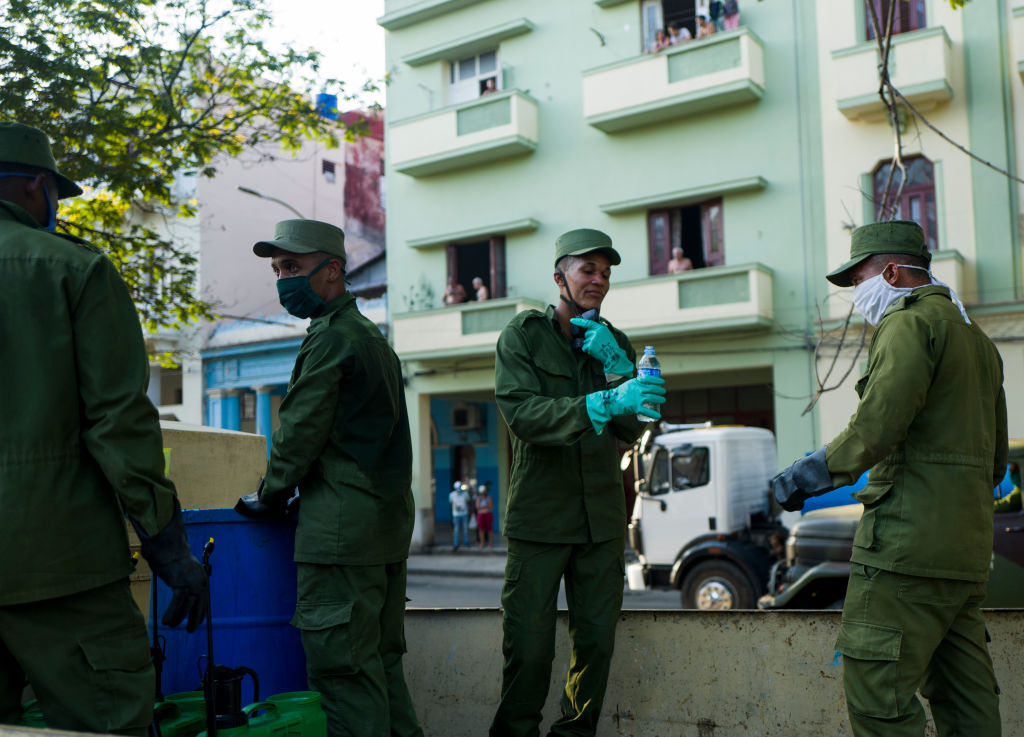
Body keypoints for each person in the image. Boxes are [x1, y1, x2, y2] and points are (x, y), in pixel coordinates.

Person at [0, 121, 208, 736]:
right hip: (59, 566)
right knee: (107, 724)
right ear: (38, 187)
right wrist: (169, 550)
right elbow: (119, 425)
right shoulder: (74, 270)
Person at [773, 220, 1006, 737]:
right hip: (965, 555)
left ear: (894, 272)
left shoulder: (907, 325)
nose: (857, 295)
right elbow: (995, 464)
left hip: (905, 551)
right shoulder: (978, 342)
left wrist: (805, 475)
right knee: (966, 700)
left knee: (879, 694)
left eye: (859, 281)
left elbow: (876, 427)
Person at [248, 219, 423, 737]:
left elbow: (299, 432)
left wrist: (269, 495)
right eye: (279, 269)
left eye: (293, 267)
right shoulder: (370, 336)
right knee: (381, 666)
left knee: (343, 674)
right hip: (383, 527)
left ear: (333, 271)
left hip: (341, 533)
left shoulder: (333, 340)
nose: (283, 280)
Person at [489, 228, 666, 737]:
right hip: (539, 519)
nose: (598, 280)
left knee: (595, 644)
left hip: (602, 522)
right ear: (559, 276)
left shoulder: (615, 341)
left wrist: (619, 372)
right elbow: (524, 414)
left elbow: (632, 429)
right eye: (587, 269)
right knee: (528, 647)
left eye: (606, 273)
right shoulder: (522, 335)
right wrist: (603, 402)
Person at [449, 482, 471, 550]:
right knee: (456, 530)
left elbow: (468, 502)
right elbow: (451, 504)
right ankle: (456, 544)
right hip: (456, 515)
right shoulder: (451, 495)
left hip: (464, 514)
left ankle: (466, 542)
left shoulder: (465, 494)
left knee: (465, 529)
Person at [476, 484, 494, 549]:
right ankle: (482, 543)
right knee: (481, 529)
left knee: (489, 529)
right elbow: (477, 507)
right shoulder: (478, 498)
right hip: (481, 515)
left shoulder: (489, 497)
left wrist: (482, 507)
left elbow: (491, 506)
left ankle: (490, 543)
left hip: (488, 514)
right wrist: (486, 506)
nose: (483, 492)